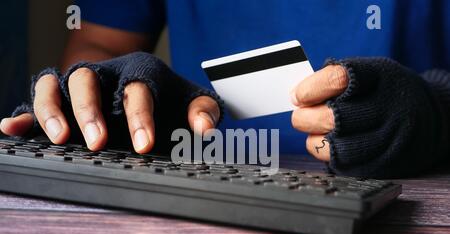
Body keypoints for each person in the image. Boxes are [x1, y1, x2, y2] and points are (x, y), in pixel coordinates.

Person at [1, 0, 449, 178]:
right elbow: (100, 40)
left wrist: (437, 111)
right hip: (201, 182)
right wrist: (118, 98)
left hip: (409, 197)